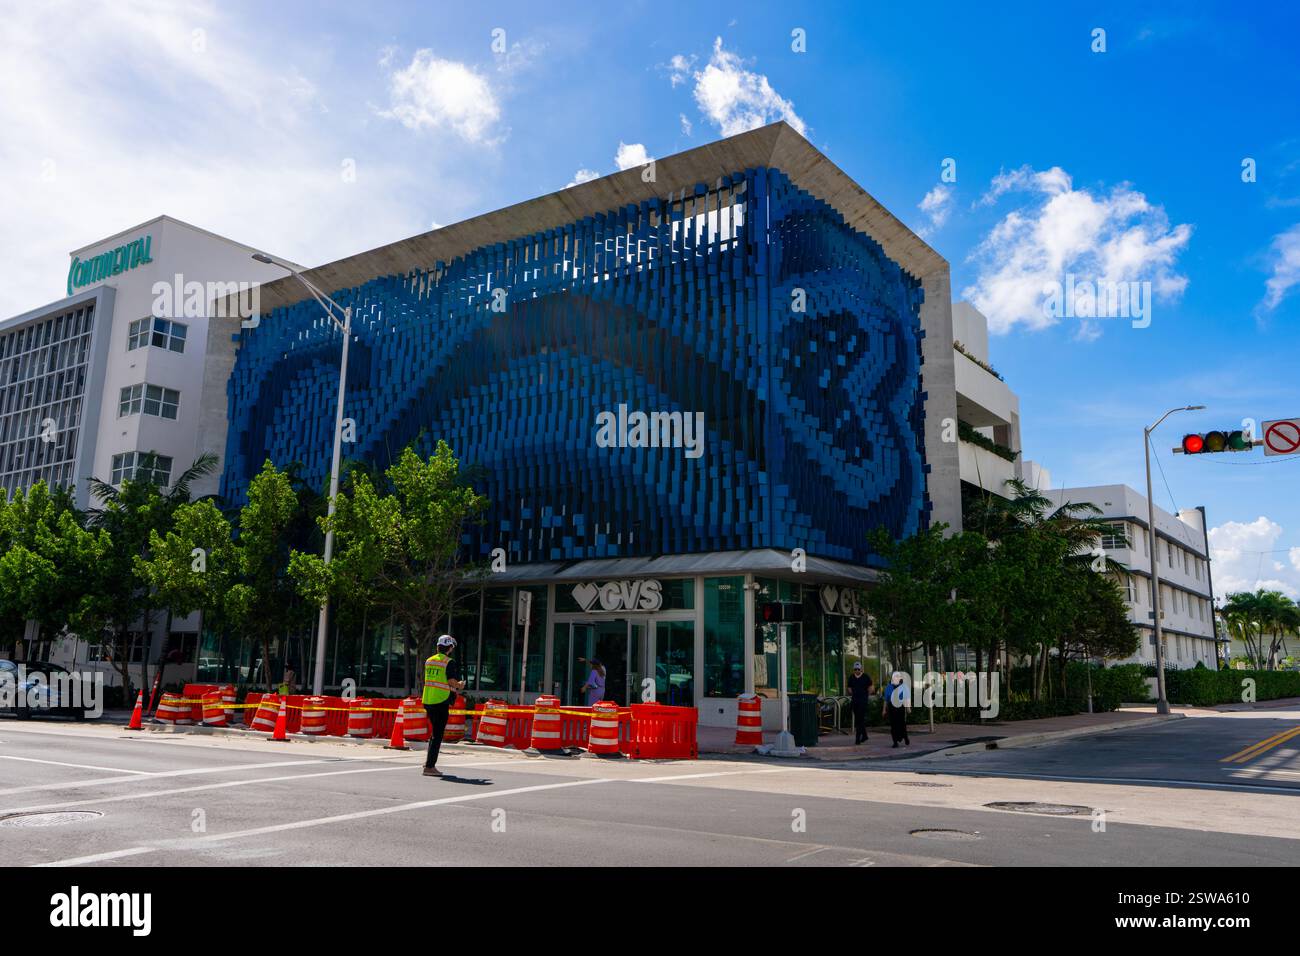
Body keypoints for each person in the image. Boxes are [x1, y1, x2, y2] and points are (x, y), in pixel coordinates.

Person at [422, 635, 465, 777]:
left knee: (434, 733)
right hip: (440, 701)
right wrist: (459, 685)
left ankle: (428, 762)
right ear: (450, 647)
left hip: (428, 700)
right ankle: (429, 767)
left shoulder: (429, 661)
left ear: (438, 646)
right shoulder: (449, 662)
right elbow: (451, 681)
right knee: (437, 735)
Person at [846, 661, 874, 744]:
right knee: (858, 720)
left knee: (860, 719)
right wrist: (852, 692)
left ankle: (857, 739)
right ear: (853, 669)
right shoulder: (851, 677)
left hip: (863, 701)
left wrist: (866, 695)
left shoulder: (866, 677)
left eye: (858, 669)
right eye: (855, 669)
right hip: (855, 700)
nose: (857, 671)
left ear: (861, 669)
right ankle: (865, 735)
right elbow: (849, 687)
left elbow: (871, 687)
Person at [882, 671, 911, 748]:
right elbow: (886, 700)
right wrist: (884, 710)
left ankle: (905, 737)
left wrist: (908, 708)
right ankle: (895, 742)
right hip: (892, 707)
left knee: (902, 724)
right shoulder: (889, 687)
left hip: (900, 706)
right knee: (893, 725)